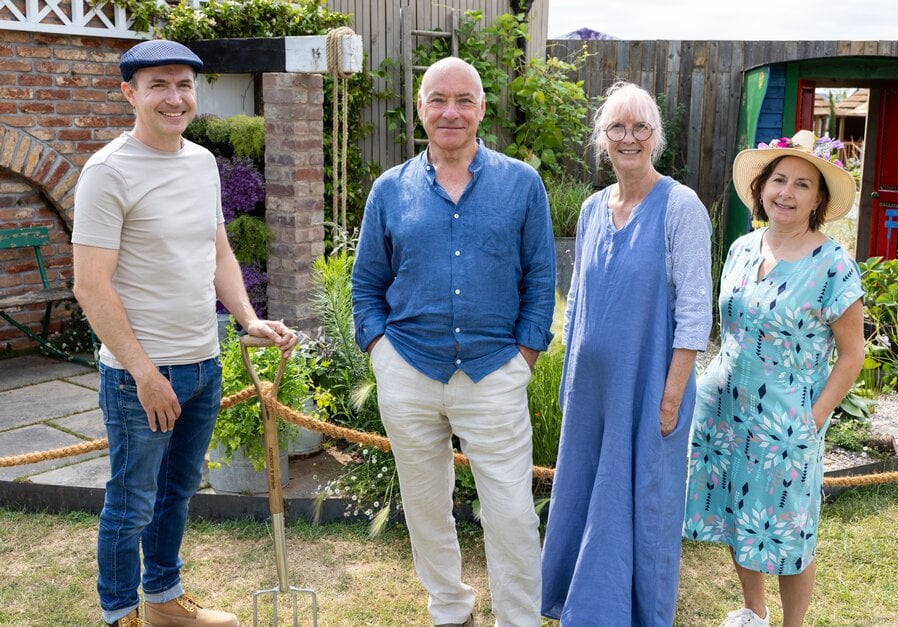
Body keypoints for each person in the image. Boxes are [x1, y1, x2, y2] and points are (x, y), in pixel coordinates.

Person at [72, 40, 297, 627]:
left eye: (184, 86)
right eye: (159, 86)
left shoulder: (199, 162)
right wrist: (145, 375)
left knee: (176, 494)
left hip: (204, 362)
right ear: (130, 93)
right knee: (130, 505)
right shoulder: (107, 173)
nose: (175, 98)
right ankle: (121, 615)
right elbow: (91, 287)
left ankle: (165, 601)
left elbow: (216, 248)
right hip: (140, 376)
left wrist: (247, 319)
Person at [351, 56, 555, 627]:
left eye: (464, 100)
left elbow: (541, 278)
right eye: (438, 99)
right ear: (420, 109)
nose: (450, 111)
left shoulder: (521, 184)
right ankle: (449, 609)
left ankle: (519, 618)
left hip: (495, 371)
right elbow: (366, 282)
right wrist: (380, 353)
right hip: (409, 370)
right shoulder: (390, 190)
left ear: (482, 109)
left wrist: (525, 356)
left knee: (512, 511)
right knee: (425, 506)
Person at [540, 81, 713, 624]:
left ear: (656, 137)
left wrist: (672, 394)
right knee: (586, 490)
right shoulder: (592, 209)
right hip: (592, 391)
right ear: (602, 139)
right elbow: (581, 304)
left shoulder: (680, 206)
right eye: (617, 127)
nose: (629, 137)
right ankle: (580, 603)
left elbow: (694, 311)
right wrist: (571, 383)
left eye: (641, 127)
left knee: (645, 501)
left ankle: (637, 612)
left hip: (651, 388)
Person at [683, 130, 865, 627]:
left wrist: (813, 418)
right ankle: (754, 612)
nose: (786, 192)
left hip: (788, 422)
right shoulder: (741, 248)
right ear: (761, 188)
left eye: (802, 184)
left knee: (788, 530)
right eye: (778, 180)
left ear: (819, 199)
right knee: (741, 517)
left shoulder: (833, 265)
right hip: (722, 409)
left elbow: (852, 355)